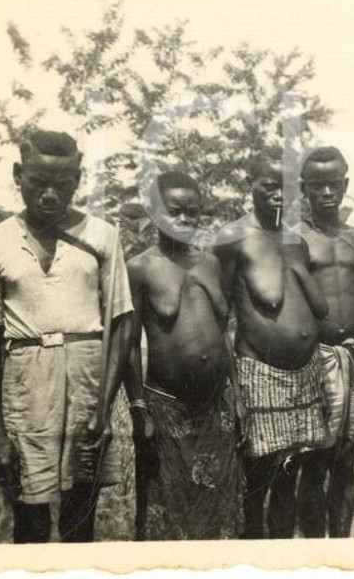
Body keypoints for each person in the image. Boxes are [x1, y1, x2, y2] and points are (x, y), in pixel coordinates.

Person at [0, 130, 133, 543]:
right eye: (37, 182)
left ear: (77, 180)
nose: (48, 195)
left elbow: (122, 325)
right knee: (30, 512)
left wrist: (105, 407)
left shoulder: (102, 236)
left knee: (82, 511)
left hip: (87, 379)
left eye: (61, 185)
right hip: (27, 385)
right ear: (17, 175)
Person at [215, 149, 329, 539]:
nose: (279, 194)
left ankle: (281, 551)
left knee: (290, 471)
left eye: (286, 187)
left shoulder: (296, 242)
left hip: (305, 373)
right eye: (269, 186)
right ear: (251, 187)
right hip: (259, 371)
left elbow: (315, 306)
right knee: (258, 471)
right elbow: (220, 313)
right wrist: (233, 384)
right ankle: (254, 549)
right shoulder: (233, 238)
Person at [123, 171, 241, 541]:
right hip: (167, 409)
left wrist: (237, 392)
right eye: (176, 211)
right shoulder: (141, 268)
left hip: (216, 407)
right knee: (167, 515)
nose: (187, 220)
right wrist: (138, 407)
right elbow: (128, 342)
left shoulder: (211, 264)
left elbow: (224, 332)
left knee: (218, 513)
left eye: (194, 212)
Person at [296, 147, 354, 538]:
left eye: (334, 184)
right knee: (315, 459)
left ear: (345, 185)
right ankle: (315, 554)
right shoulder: (295, 241)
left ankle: (341, 549)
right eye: (317, 185)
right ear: (303, 189)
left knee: (347, 458)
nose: (327, 192)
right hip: (316, 359)